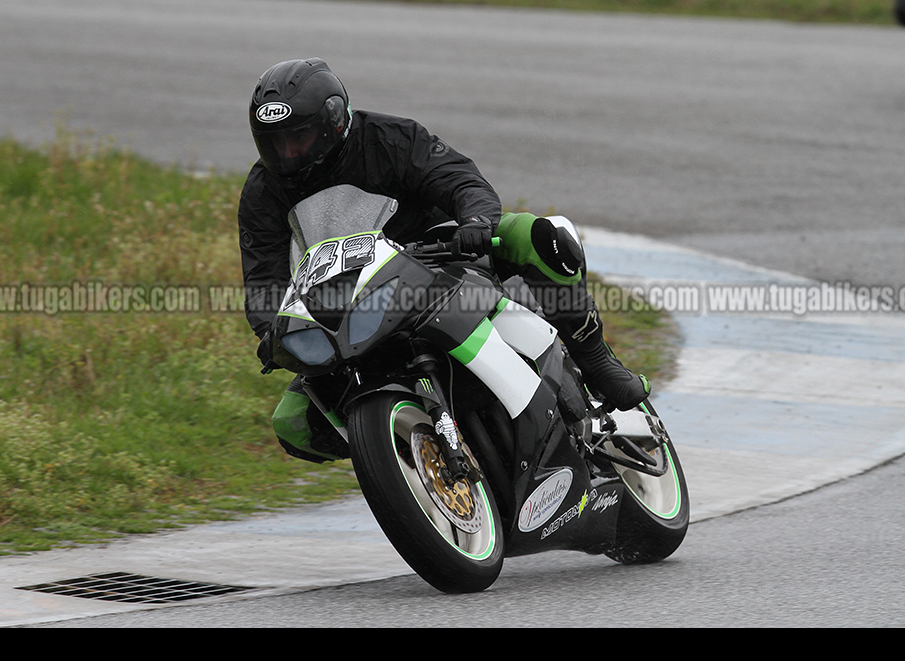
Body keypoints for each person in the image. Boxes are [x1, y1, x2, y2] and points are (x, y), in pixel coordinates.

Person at [239, 58, 649, 463]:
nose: (288, 153)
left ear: (333, 121)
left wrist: (476, 221)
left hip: (435, 261)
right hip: (346, 307)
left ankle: (594, 358)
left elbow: (458, 178)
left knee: (537, 235)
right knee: (294, 422)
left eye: (299, 138)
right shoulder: (263, 191)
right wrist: (270, 330)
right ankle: (402, 449)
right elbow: (263, 279)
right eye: (274, 143)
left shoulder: (389, 137)